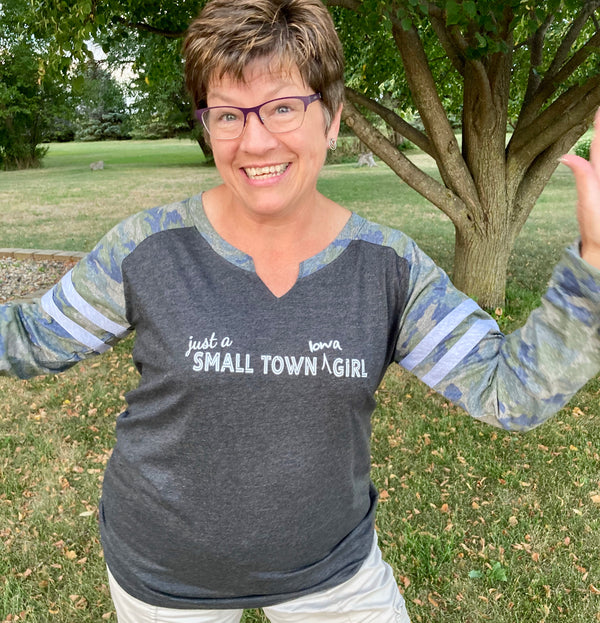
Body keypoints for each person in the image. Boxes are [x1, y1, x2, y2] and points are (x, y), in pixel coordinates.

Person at [2, 0, 600, 620]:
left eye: (284, 107)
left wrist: (596, 260)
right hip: (163, 579)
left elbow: (511, 392)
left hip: (333, 574)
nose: (255, 140)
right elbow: (30, 337)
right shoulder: (146, 250)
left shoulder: (388, 266)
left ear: (333, 118)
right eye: (229, 115)